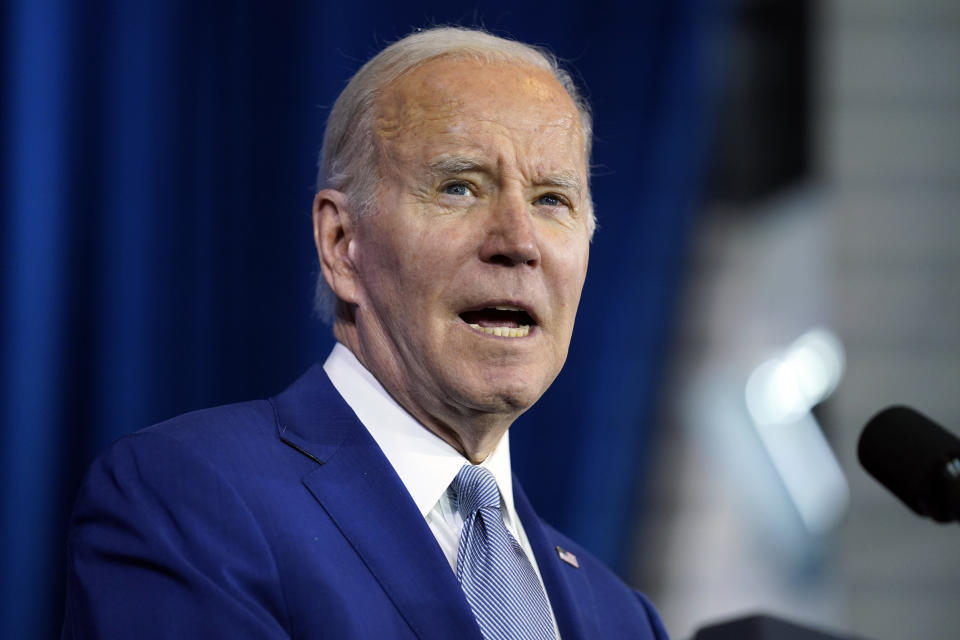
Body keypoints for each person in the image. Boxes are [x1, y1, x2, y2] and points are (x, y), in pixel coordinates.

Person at [62, 27, 669, 639]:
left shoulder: (622, 617)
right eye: (459, 187)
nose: (518, 242)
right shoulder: (189, 497)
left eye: (551, 199)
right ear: (342, 245)